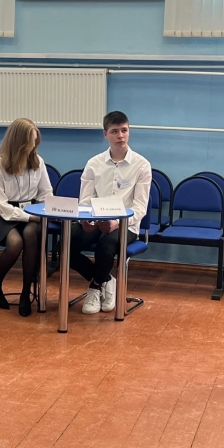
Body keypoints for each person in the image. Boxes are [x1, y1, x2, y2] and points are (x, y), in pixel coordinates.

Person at [70, 111, 151, 315]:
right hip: (96, 220)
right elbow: (85, 201)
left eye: (124, 130)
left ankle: (95, 287)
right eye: (115, 131)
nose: (120, 136)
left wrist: (117, 223)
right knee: (64, 245)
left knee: (106, 246)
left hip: (126, 224)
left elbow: (140, 207)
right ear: (105, 134)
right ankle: (106, 279)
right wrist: (89, 221)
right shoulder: (94, 163)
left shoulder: (142, 165)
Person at [0, 118, 53, 317]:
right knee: (15, 243)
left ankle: (26, 292)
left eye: (35, 140)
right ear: (19, 141)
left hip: (33, 212)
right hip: (7, 215)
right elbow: (2, 205)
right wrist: (29, 217)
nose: (34, 145)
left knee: (31, 234)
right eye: (31, 141)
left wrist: (44, 211)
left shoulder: (38, 161)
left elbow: (46, 193)